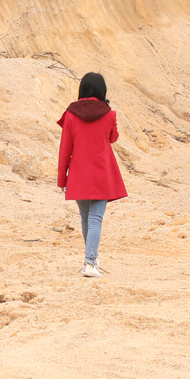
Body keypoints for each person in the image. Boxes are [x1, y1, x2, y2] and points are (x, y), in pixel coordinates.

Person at [56, 72, 127, 278]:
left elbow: (65, 149)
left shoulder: (70, 114)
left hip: (78, 174)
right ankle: (89, 262)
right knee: (96, 219)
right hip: (102, 173)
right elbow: (113, 138)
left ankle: (92, 258)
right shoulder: (109, 114)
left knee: (86, 218)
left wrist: (62, 178)